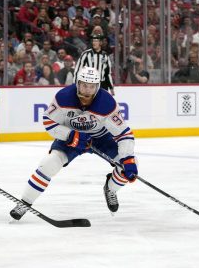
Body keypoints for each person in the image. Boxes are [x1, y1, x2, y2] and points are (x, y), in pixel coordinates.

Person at [10, 67, 138, 221]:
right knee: (49, 164)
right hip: (71, 137)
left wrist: (128, 158)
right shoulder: (64, 97)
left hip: (101, 138)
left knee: (128, 165)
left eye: (91, 86)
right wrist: (70, 135)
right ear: (77, 83)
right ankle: (24, 202)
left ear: (97, 86)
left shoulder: (107, 102)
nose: (87, 90)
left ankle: (110, 189)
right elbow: (48, 121)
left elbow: (124, 134)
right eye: (84, 85)